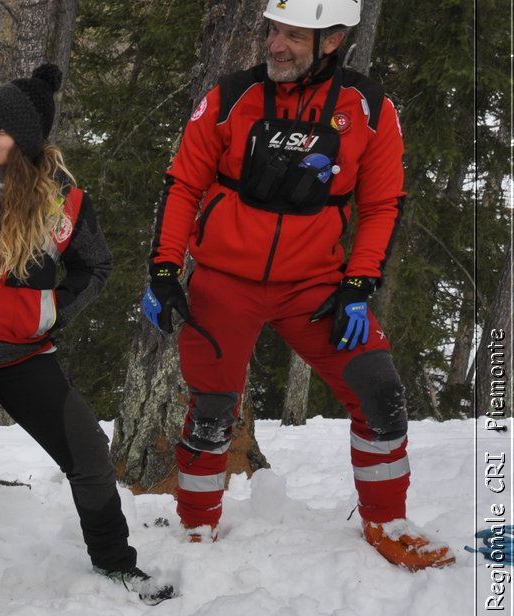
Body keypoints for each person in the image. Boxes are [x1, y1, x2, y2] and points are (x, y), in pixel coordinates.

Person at [140, 0, 452, 570]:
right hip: (223, 283)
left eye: (292, 35)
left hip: (316, 288)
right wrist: (163, 269)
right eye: (273, 30)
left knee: (380, 393)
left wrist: (359, 284)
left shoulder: (369, 108)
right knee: (211, 411)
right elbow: (183, 183)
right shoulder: (231, 97)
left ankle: (386, 522)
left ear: (331, 41)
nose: (275, 44)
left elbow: (382, 204)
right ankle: (196, 527)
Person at [0, 64, 174, 611]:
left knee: (89, 455)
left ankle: (116, 563)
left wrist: (51, 312)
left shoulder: (62, 205)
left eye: (0, 127)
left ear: (29, 141)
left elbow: (97, 266)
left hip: (22, 355)